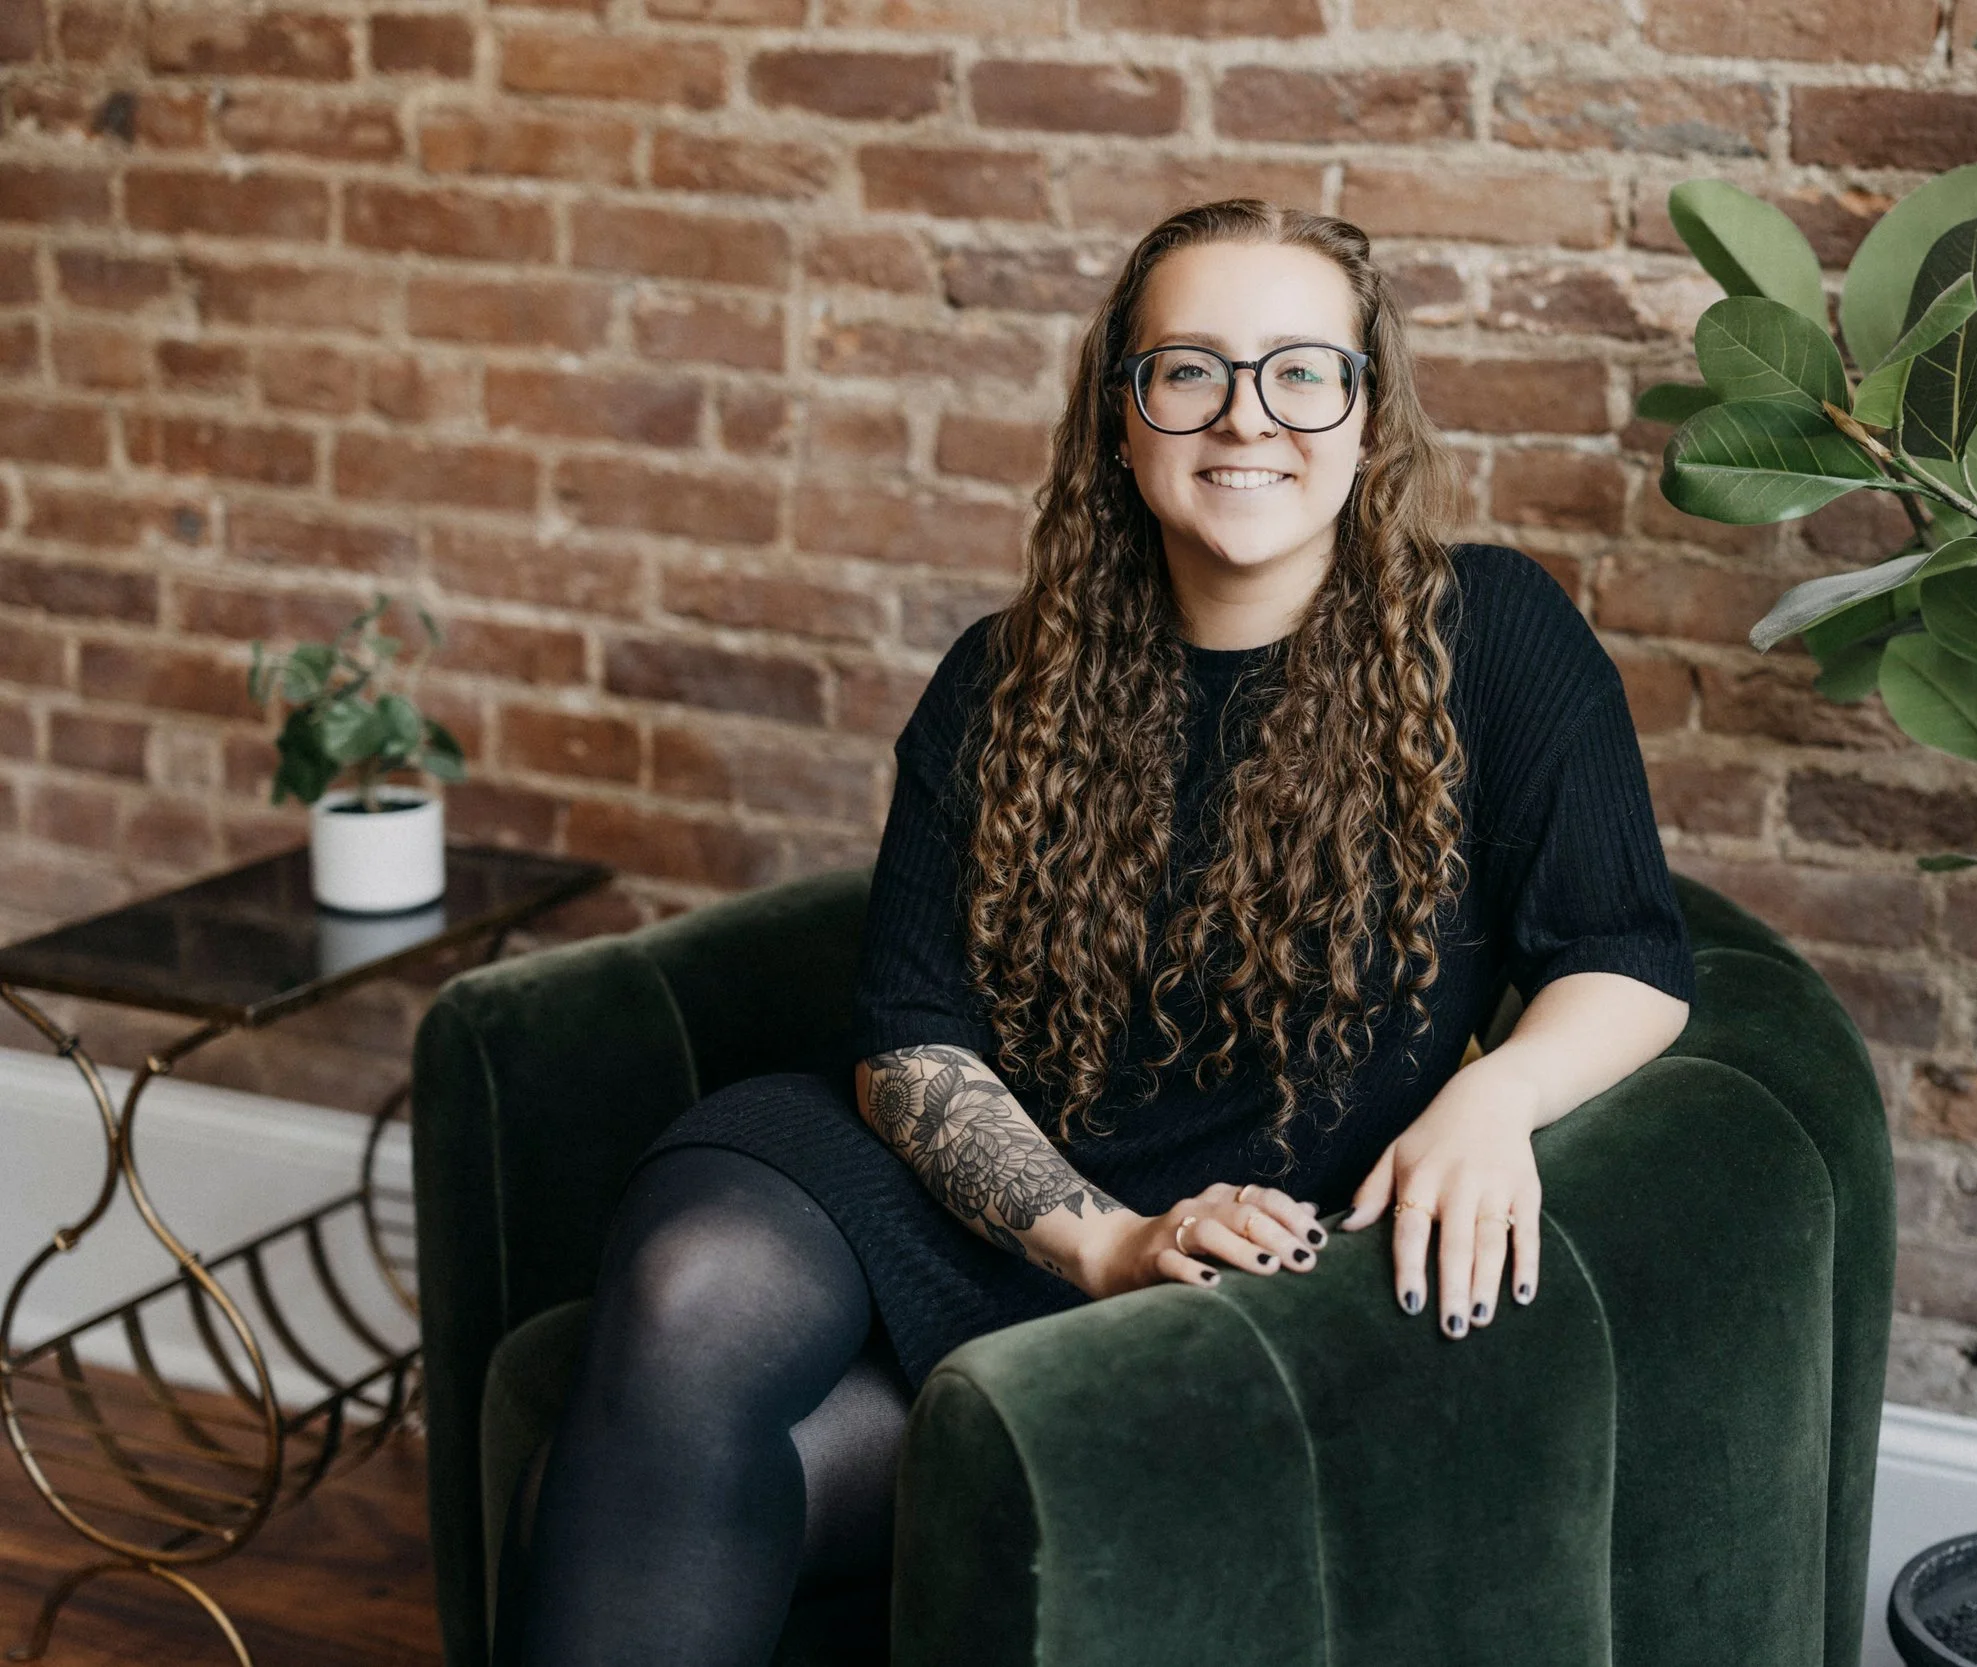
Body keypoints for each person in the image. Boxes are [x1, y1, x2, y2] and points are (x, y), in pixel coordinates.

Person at [493, 198, 1697, 1667]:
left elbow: (1625, 953)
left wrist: (1493, 1096)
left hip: (1205, 1253)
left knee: (601, 1497)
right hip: (947, 1194)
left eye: (1301, 370)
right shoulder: (1005, 676)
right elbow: (909, 1042)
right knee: (693, 1290)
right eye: (1188, 369)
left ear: (1369, 415)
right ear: (1121, 422)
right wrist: (1107, 1240)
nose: (1246, 414)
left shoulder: (1493, 633)